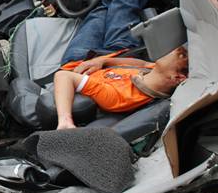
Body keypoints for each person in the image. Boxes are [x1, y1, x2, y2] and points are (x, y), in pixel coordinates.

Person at [53, 46, 188, 130]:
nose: (177, 49)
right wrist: (102, 61)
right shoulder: (151, 71)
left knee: (114, 5)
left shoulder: (118, 96)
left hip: (76, 61)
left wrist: (65, 119)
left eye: (182, 55)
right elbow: (142, 63)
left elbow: (63, 76)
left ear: (177, 78)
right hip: (103, 56)